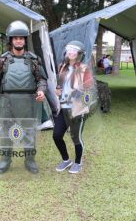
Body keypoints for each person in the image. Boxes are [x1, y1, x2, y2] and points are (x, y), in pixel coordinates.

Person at [0, 20, 47, 174]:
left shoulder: (33, 59)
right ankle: (6, 159)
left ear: (25, 40)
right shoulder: (3, 59)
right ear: (11, 40)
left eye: (21, 38)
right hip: (6, 101)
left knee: (29, 132)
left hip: (28, 102)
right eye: (15, 38)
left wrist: (41, 91)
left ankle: (30, 159)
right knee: (6, 132)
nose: (19, 40)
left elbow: (41, 79)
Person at [53, 40, 95, 174]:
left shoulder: (84, 68)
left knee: (76, 137)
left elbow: (89, 87)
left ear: (79, 53)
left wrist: (78, 91)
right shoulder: (62, 66)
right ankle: (66, 160)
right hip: (63, 107)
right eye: (69, 49)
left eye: (74, 50)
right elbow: (60, 85)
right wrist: (57, 90)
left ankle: (78, 162)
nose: (71, 52)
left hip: (77, 108)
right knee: (57, 135)